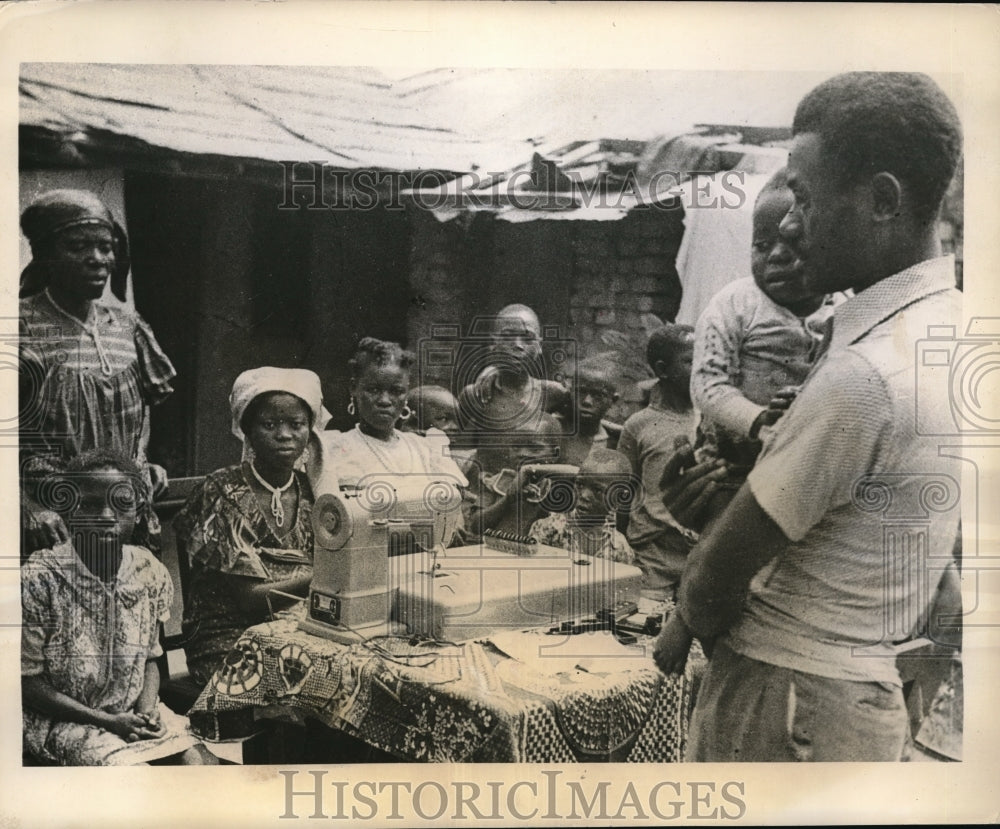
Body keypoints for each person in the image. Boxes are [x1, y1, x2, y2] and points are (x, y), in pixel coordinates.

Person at [653, 72, 964, 763]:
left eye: (805, 195)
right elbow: (843, 532)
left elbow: (717, 576)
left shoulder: (866, 375)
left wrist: (701, 534)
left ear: (882, 200)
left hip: (788, 708)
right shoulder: (949, 331)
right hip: (844, 700)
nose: (790, 223)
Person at [21, 450, 216, 765]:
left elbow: (151, 656)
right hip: (65, 720)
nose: (107, 516)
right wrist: (107, 721)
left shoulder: (148, 571)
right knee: (133, 781)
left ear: (138, 514)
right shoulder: (40, 579)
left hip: (131, 713)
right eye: (90, 505)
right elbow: (27, 683)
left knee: (201, 763)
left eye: (122, 504)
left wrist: (147, 711)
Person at [18, 189, 176, 557]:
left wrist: (139, 460)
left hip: (120, 516)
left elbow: (141, 407)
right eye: (77, 246)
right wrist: (22, 507)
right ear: (46, 254)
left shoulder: (127, 326)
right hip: (50, 523)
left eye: (105, 247)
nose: (97, 259)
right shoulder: (19, 325)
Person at [176, 367, 328, 685]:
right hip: (228, 638)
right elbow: (249, 600)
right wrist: (325, 576)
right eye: (269, 424)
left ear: (310, 431)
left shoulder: (314, 489)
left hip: (297, 628)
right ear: (247, 430)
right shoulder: (222, 490)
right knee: (314, 678)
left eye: (296, 424)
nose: (285, 435)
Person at [691, 167, 834, 480]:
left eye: (794, 242)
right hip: (731, 463)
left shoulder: (841, 311)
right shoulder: (734, 304)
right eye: (762, 244)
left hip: (803, 464)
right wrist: (758, 420)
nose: (777, 255)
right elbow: (707, 384)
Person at [618, 323, 726, 598]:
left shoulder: (715, 420)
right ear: (663, 369)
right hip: (653, 558)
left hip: (701, 558)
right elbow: (623, 493)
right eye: (691, 361)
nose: (702, 368)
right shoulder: (638, 425)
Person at [319, 339, 468, 493]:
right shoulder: (336, 449)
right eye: (373, 390)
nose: (384, 400)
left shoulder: (427, 450)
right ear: (353, 388)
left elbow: (453, 512)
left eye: (396, 391)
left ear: (406, 393)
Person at [456, 303, 569, 476]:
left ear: (539, 346)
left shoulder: (553, 394)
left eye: (527, 338)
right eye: (507, 337)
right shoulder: (476, 394)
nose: (517, 345)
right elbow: (461, 451)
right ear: (494, 343)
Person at [462, 412, 564, 540]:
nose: (522, 453)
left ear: (554, 454)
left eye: (534, 448)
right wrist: (508, 499)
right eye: (516, 446)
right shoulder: (498, 482)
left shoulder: (559, 488)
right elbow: (476, 526)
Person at [528, 448, 635, 564]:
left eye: (598, 490)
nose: (584, 495)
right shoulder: (549, 529)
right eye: (579, 484)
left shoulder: (619, 547)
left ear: (618, 498)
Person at [556, 355, 622, 467]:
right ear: (570, 391)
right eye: (581, 391)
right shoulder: (552, 431)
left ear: (613, 400)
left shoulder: (617, 443)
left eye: (598, 395)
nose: (587, 401)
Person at [399, 384, 475, 475]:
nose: (455, 427)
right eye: (444, 419)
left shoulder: (450, 457)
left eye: (457, 420)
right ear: (414, 422)